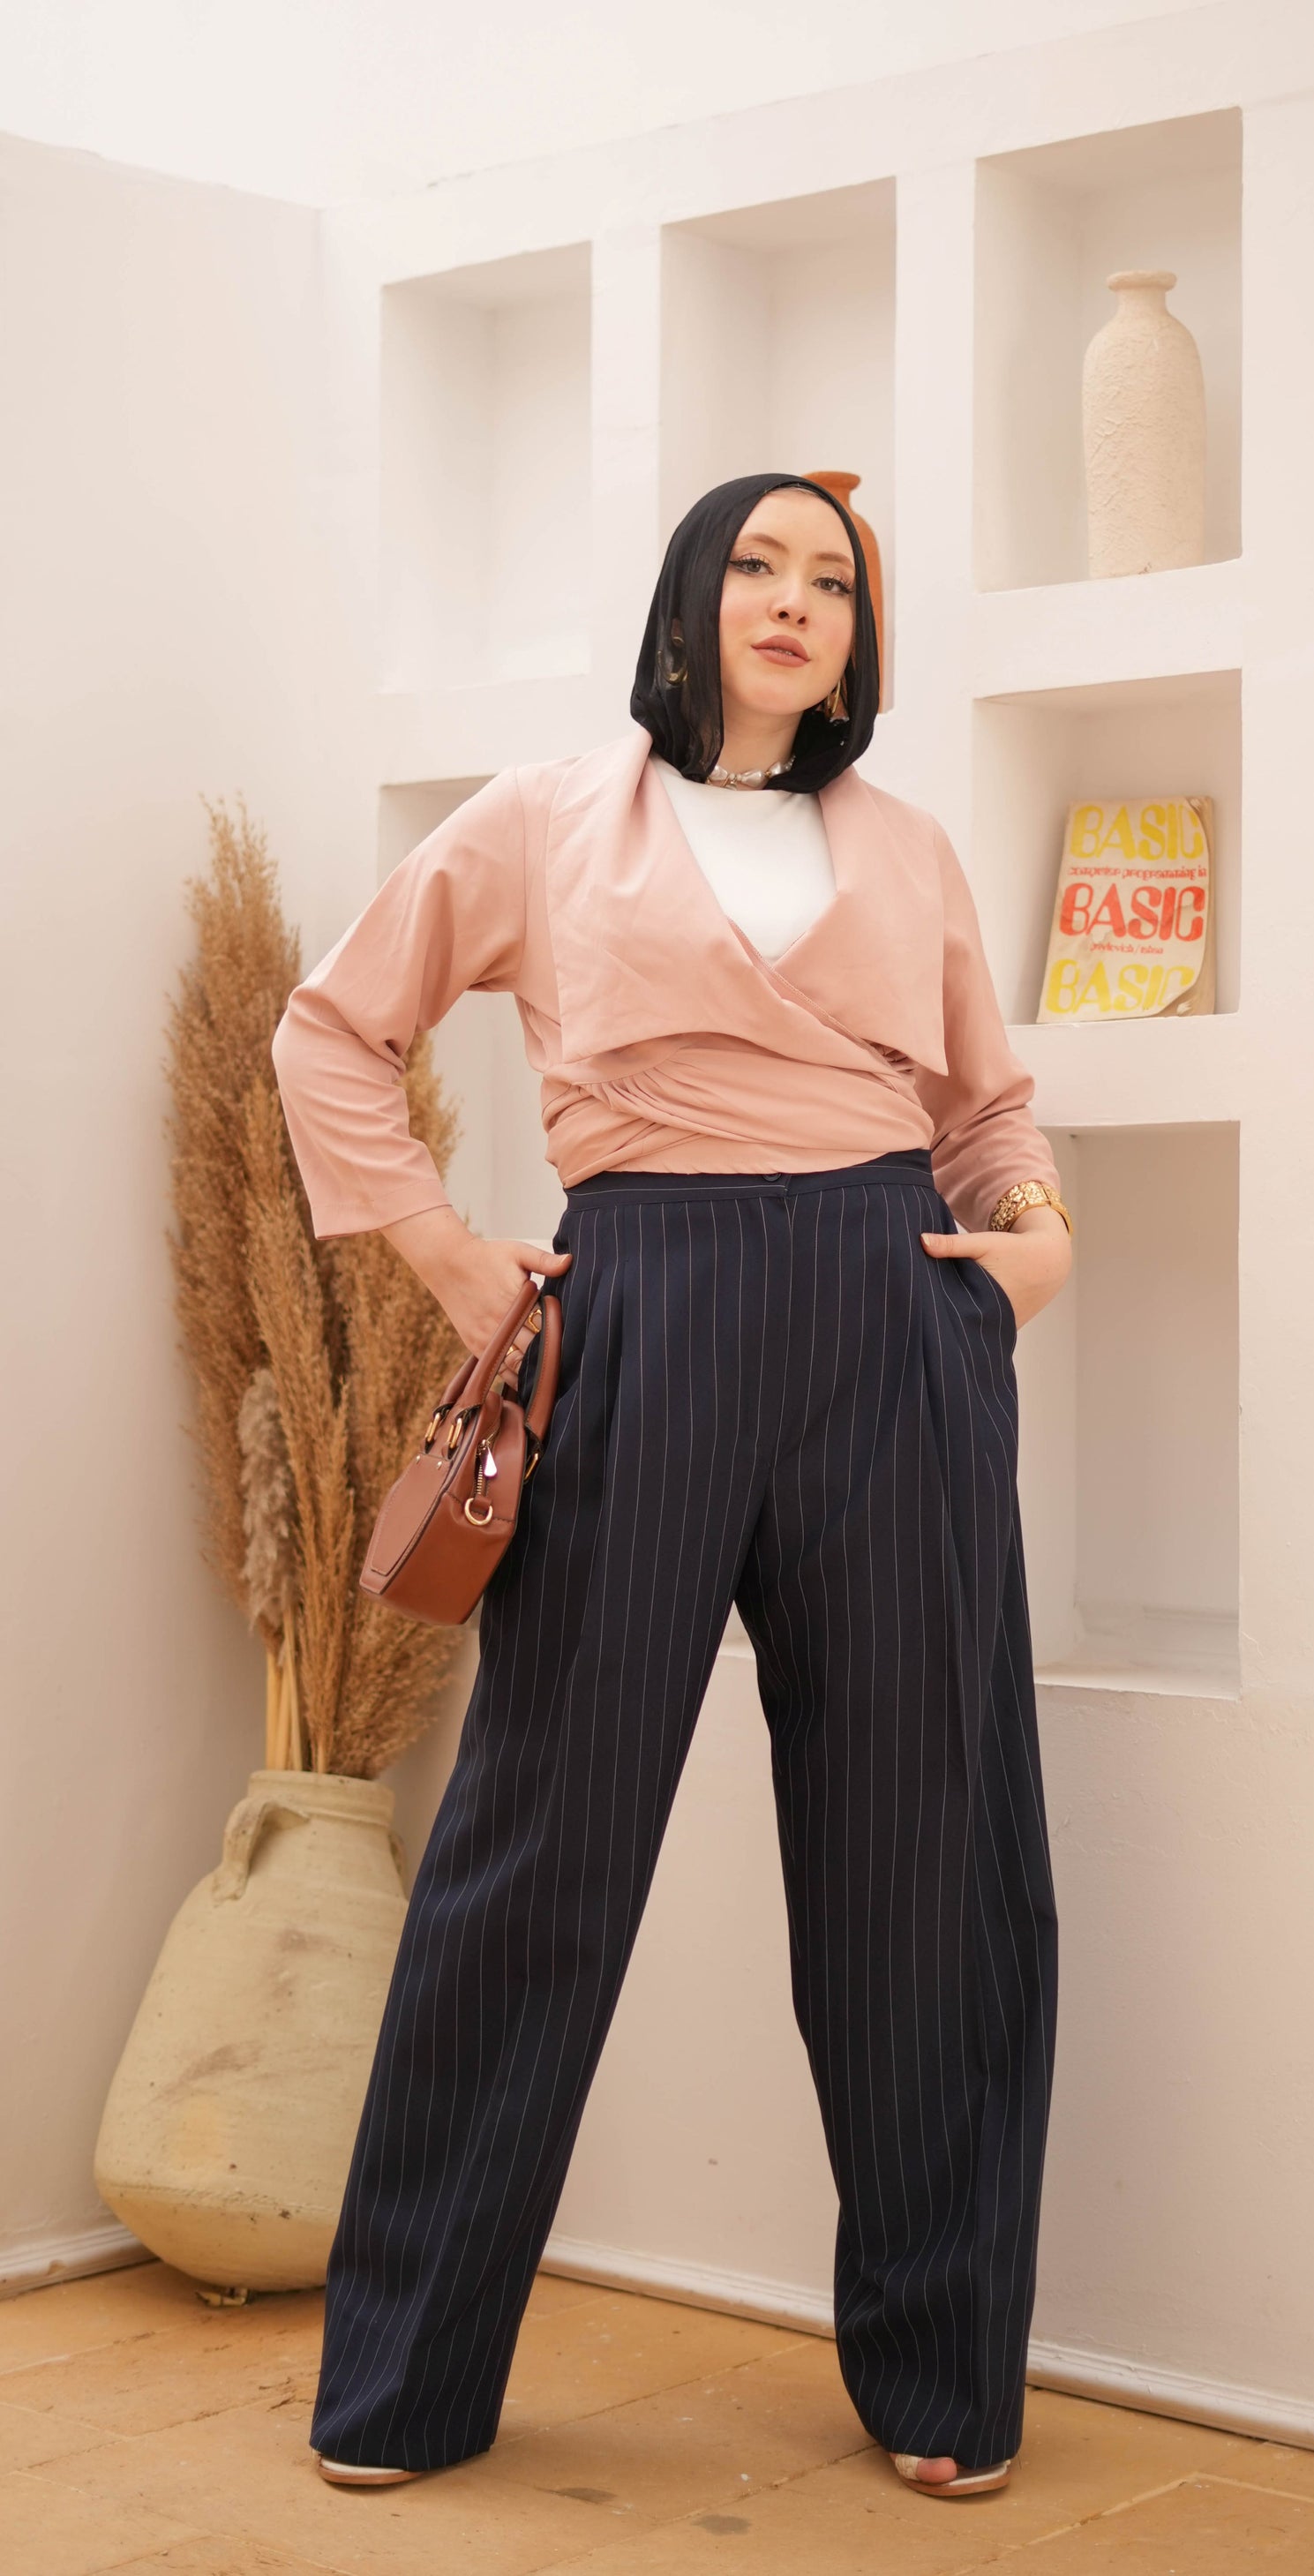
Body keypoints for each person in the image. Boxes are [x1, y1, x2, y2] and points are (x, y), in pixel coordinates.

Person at [270, 469, 1074, 2503]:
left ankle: (942, 2371)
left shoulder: (904, 843)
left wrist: (1031, 1240)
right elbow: (329, 1031)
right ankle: (404, 2377)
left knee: (924, 1851)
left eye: (834, 579)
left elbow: (983, 1105)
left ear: (861, 634)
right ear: (689, 595)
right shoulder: (549, 815)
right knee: (536, 1850)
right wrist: (447, 1255)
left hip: (891, 1325)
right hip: (638, 1308)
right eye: (757, 563)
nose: (794, 599)